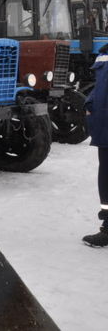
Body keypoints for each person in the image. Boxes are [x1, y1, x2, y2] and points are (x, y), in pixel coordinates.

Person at [83, 43, 108, 247]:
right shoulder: (103, 54)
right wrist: (89, 103)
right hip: (104, 127)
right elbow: (100, 87)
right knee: (106, 177)